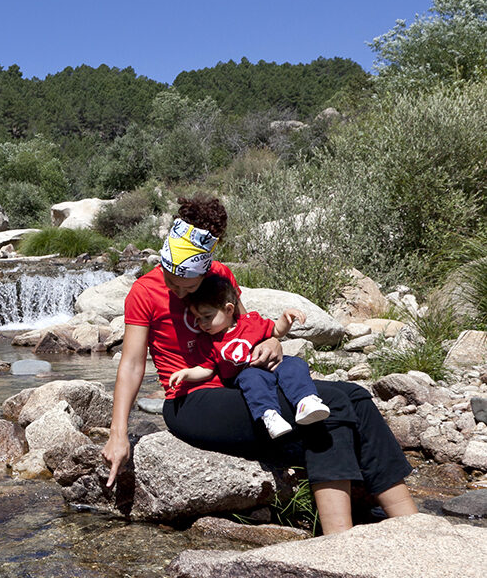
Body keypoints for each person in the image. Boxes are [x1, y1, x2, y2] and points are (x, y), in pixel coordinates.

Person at [101, 194, 417, 535]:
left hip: (241, 386)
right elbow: (132, 365)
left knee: (354, 395)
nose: (177, 290)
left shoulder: (221, 276)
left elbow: (245, 326)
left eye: (187, 285)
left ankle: (414, 527)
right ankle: (338, 540)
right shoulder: (144, 292)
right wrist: (118, 434)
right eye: (171, 281)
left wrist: (271, 341)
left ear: (206, 271)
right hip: (192, 402)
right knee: (335, 404)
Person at [169, 274, 331, 439]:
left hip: (269, 363)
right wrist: (186, 374)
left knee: (294, 364)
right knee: (253, 380)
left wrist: (286, 318)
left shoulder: (250, 322)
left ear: (229, 310)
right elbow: (206, 369)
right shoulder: (208, 342)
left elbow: (275, 331)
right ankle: (270, 416)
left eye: (208, 317)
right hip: (244, 373)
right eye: (198, 319)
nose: (203, 323)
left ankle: (306, 401)